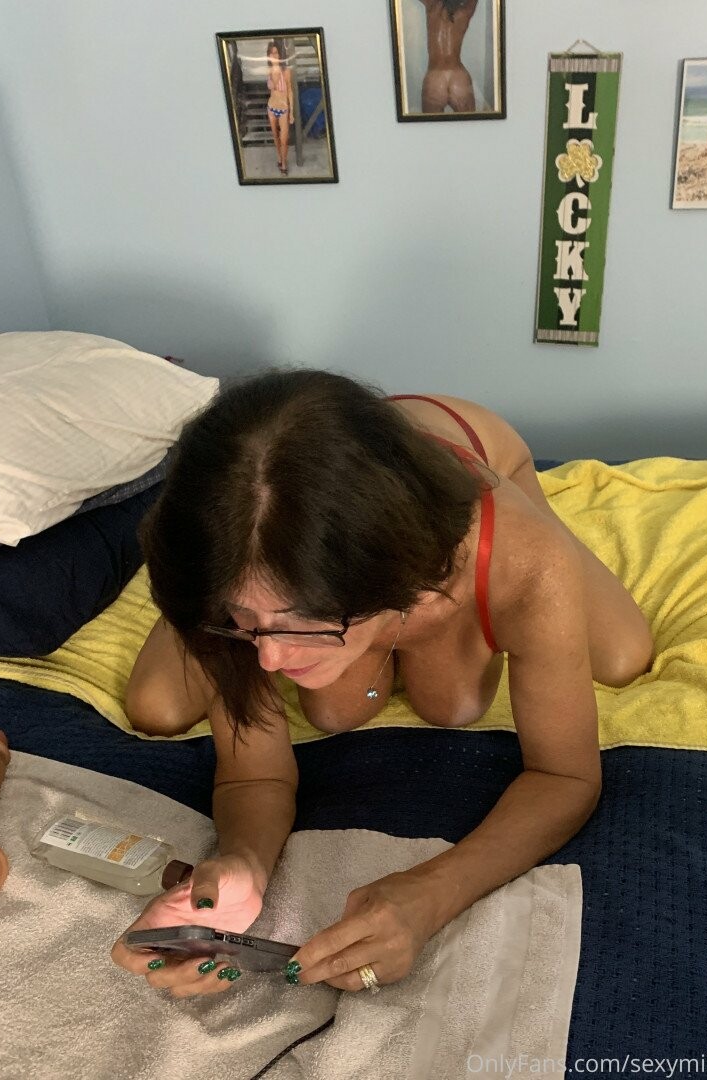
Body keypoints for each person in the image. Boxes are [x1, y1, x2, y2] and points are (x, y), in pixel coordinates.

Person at [113, 371, 654, 998]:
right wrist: (242, 865)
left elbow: (566, 776)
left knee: (614, 658)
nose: (268, 659)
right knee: (157, 706)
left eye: (301, 623)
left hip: (472, 450)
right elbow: (254, 777)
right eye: (242, 619)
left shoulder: (518, 558)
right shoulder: (235, 594)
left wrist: (430, 894)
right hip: (322, 504)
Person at [418, 0, 479, 114]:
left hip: (435, 78)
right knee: (470, 124)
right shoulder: (465, 12)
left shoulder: (432, 6)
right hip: (459, 77)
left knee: (430, 125)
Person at [266, 39, 294, 175]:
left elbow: (290, 91)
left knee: (284, 139)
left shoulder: (286, 71)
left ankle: (283, 163)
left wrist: (292, 112)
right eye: (271, 53)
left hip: (283, 109)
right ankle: (279, 157)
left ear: (279, 54)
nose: (274, 55)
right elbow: (271, 88)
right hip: (271, 107)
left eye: (276, 53)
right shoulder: (269, 71)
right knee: (275, 136)